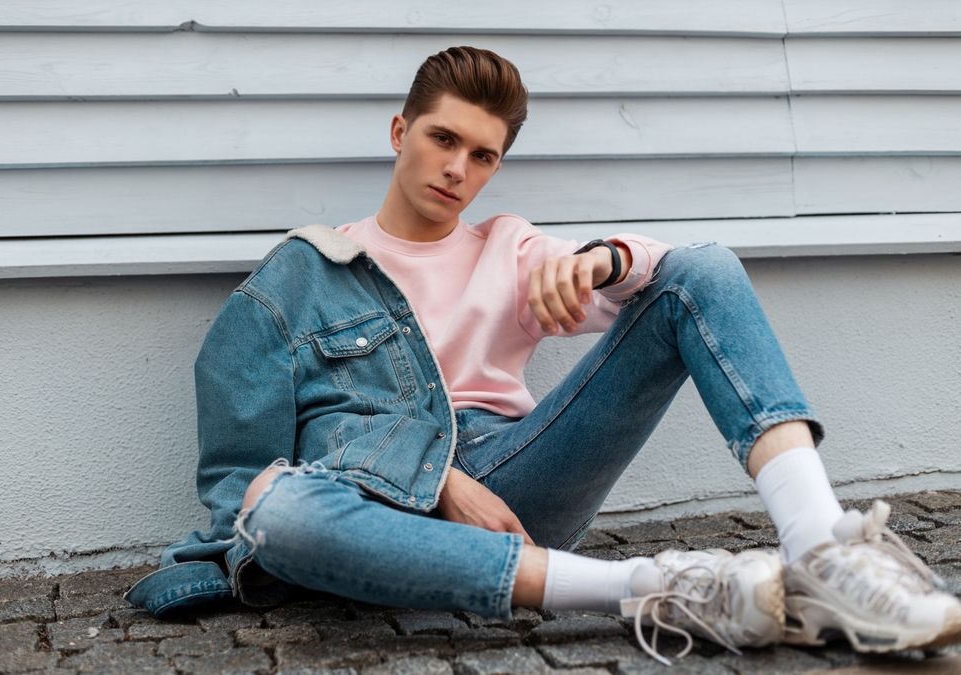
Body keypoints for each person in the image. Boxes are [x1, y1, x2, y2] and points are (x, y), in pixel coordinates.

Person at [125, 46, 960, 664]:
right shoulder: (298, 276)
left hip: (515, 482)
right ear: (399, 131)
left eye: (482, 155)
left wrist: (602, 260)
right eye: (442, 139)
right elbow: (242, 483)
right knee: (275, 511)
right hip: (373, 507)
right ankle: (654, 586)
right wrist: (433, 479)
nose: (456, 169)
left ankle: (820, 549)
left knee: (706, 267)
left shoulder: (509, 250)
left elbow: (676, 278)